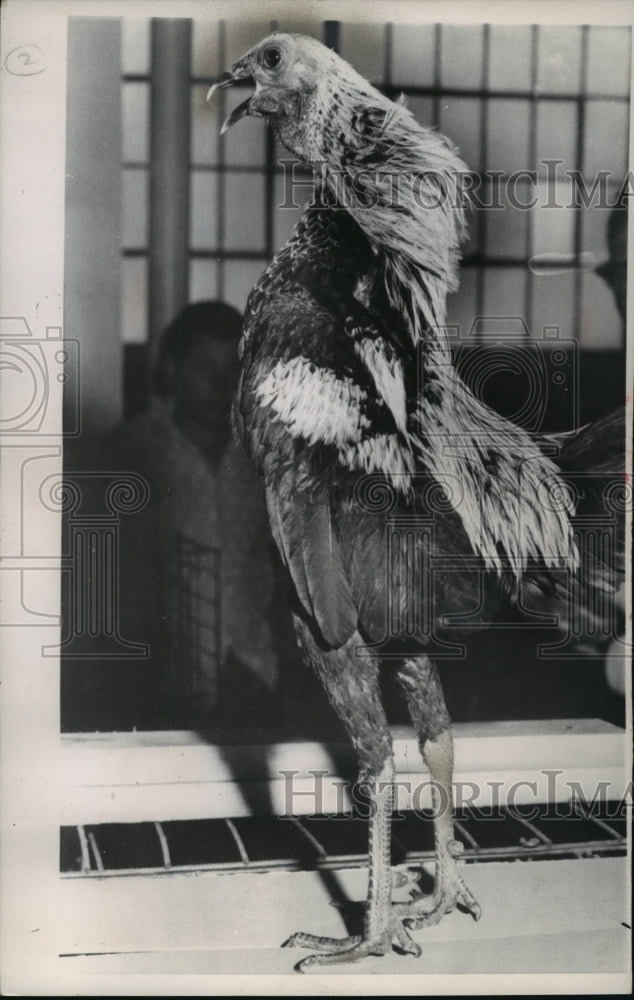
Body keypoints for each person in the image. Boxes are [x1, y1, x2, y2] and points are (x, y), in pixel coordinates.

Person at [100, 301, 292, 734]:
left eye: (233, 368)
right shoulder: (130, 452)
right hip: (160, 681)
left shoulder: (263, 457)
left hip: (253, 671)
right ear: (171, 369)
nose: (221, 382)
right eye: (205, 365)